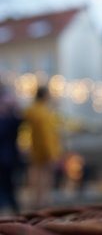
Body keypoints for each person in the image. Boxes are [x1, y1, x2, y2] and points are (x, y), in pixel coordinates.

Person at [24, 86, 62, 209]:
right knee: (44, 177)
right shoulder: (43, 113)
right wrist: (52, 153)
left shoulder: (32, 111)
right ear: (45, 96)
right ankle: (42, 201)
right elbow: (47, 135)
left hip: (35, 150)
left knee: (35, 176)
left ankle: (36, 200)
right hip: (45, 151)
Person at [0, 84, 22, 214]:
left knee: (7, 183)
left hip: (6, 157)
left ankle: (9, 205)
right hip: (9, 156)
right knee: (7, 183)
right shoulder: (12, 120)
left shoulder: (8, 121)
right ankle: (11, 206)